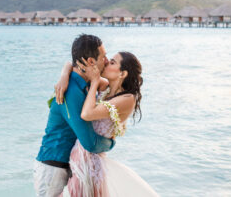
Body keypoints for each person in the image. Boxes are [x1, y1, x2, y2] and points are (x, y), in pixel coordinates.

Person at [55, 51, 159, 196]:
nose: (106, 63)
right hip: (79, 158)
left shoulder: (127, 98)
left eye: (112, 62)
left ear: (122, 74)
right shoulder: (107, 88)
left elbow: (86, 114)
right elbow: (71, 64)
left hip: (90, 163)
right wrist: (63, 77)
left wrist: (95, 82)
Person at [34, 34, 116, 197]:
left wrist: (66, 69)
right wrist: (111, 142)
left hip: (66, 167)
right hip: (53, 170)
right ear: (91, 62)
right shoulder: (70, 90)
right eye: (104, 56)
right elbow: (90, 143)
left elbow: (108, 83)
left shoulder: (85, 84)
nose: (107, 60)